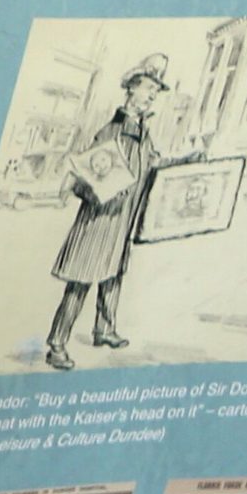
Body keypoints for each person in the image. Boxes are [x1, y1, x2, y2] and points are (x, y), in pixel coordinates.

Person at [48, 56, 169, 371]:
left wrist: (187, 162)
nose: (152, 96)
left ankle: (104, 329)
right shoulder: (111, 130)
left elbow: (152, 162)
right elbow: (84, 177)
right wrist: (103, 191)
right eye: (148, 89)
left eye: (156, 91)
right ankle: (56, 344)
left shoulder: (143, 132)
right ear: (131, 89)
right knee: (81, 279)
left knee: (113, 274)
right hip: (99, 221)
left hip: (123, 220)